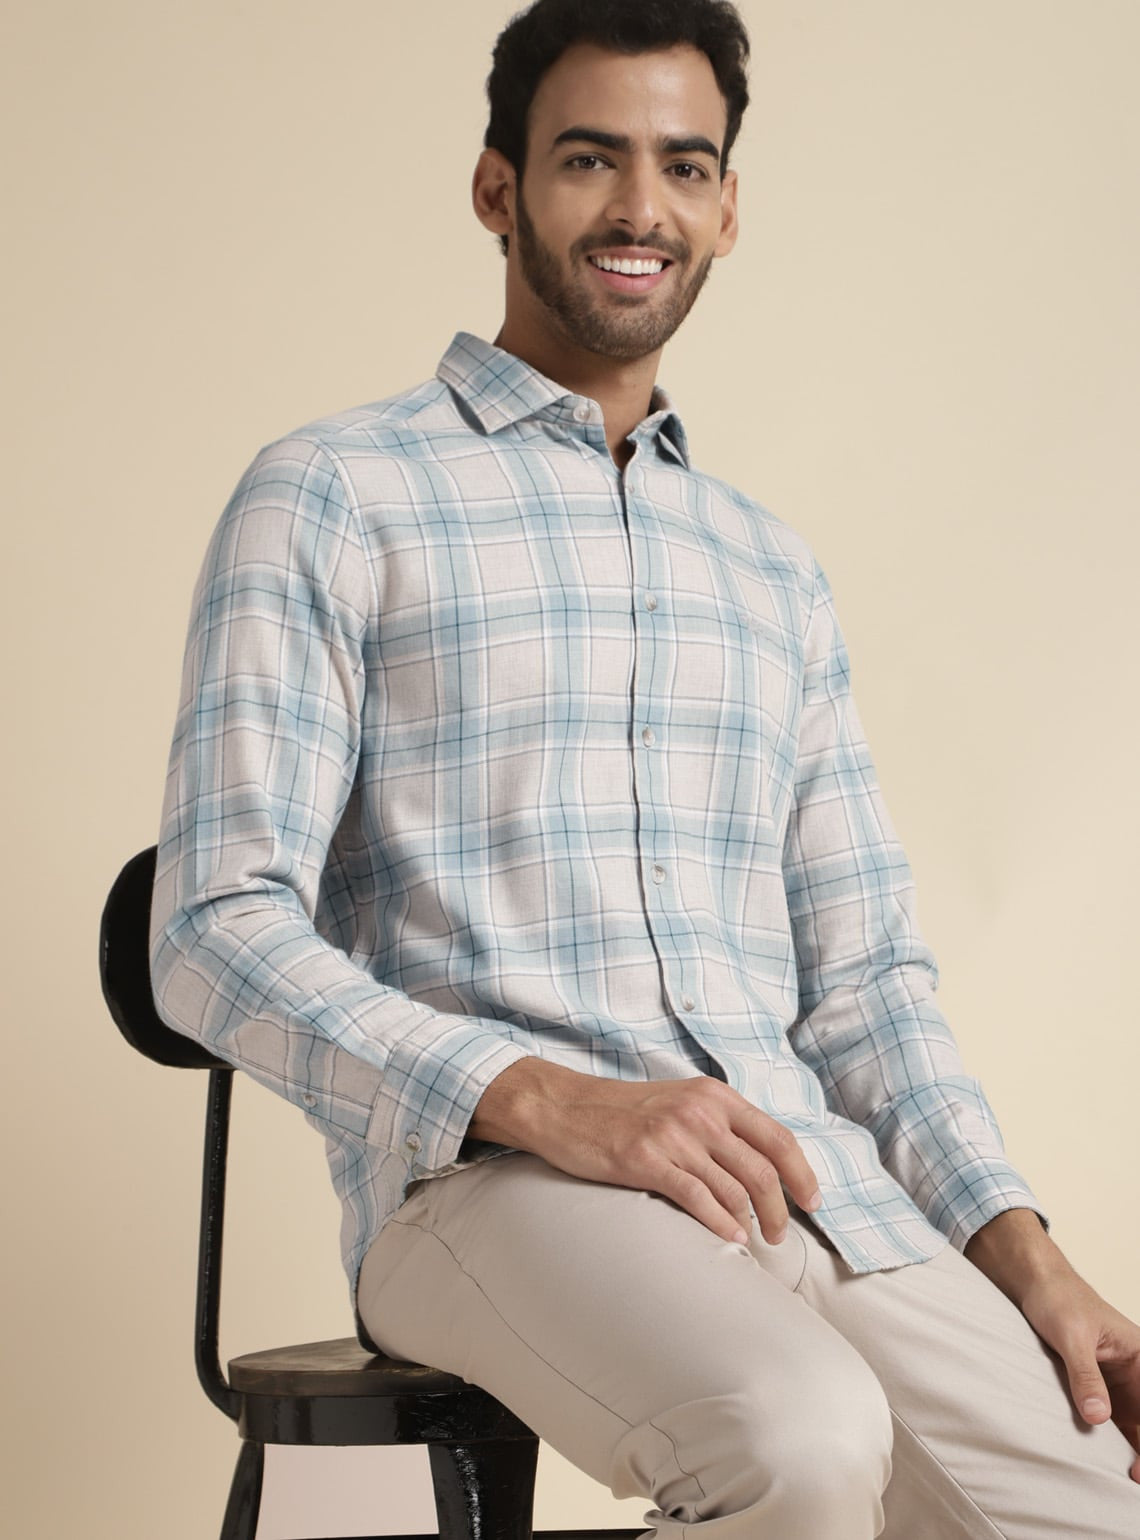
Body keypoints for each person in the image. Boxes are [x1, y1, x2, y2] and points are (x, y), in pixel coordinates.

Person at [149, 1, 1140, 1534]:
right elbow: (211, 930)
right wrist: (551, 1102)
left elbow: (867, 982)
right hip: (488, 1187)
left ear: (728, 209)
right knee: (798, 1437)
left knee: (1097, 1493)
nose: (638, 208)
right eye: (587, 160)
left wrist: (1031, 1258)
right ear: (498, 187)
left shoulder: (770, 570)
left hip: (802, 1182)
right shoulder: (335, 494)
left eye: (683, 167)